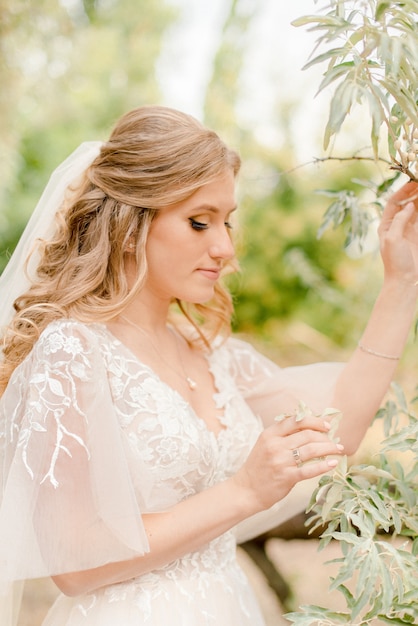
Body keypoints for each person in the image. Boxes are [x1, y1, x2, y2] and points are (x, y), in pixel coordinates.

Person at [0, 105, 417, 626]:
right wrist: (243, 491)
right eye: (200, 222)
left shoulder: (217, 357)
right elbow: (75, 563)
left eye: (227, 221)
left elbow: (340, 427)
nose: (224, 247)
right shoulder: (72, 353)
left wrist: (402, 281)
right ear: (132, 225)